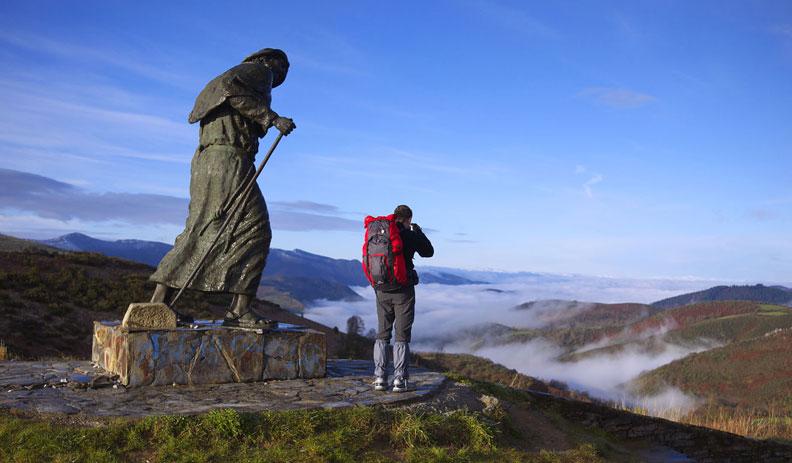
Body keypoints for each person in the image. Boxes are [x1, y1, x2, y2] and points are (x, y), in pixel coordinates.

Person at [148, 48, 296, 327]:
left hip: (209, 161)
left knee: (202, 227)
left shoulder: (229, 78)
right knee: (256, 229)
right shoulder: (258, 71)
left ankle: (159, 302)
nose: (282, 74)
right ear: (268, 61)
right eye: (283, 67)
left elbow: (227, 94)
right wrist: (272, 118)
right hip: (229, 159)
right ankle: (239, 309)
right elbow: (232, 91)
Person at [373, 205, 434, 392]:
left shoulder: (379, 234)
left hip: (381, 288)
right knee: (402, 336)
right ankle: (400, 380)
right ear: (408, 219)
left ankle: (379, 379)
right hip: (403, 291)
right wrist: (419, 232)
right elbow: (428, 251)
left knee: (382, 334)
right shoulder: (408, 234)